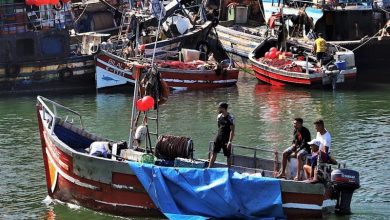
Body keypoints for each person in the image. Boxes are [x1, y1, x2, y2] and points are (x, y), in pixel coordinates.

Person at [208, 102, 235, 168]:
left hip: (226, 138)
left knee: (228, 155)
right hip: (218, 137)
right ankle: (209, 168)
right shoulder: (219, 116)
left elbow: (232, 131)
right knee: (214, 153)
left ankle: (229, 170)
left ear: (223, 108)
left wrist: (230, 141)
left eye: (219, 107)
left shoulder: (231, 118)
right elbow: (219, 127)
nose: (218, 109)